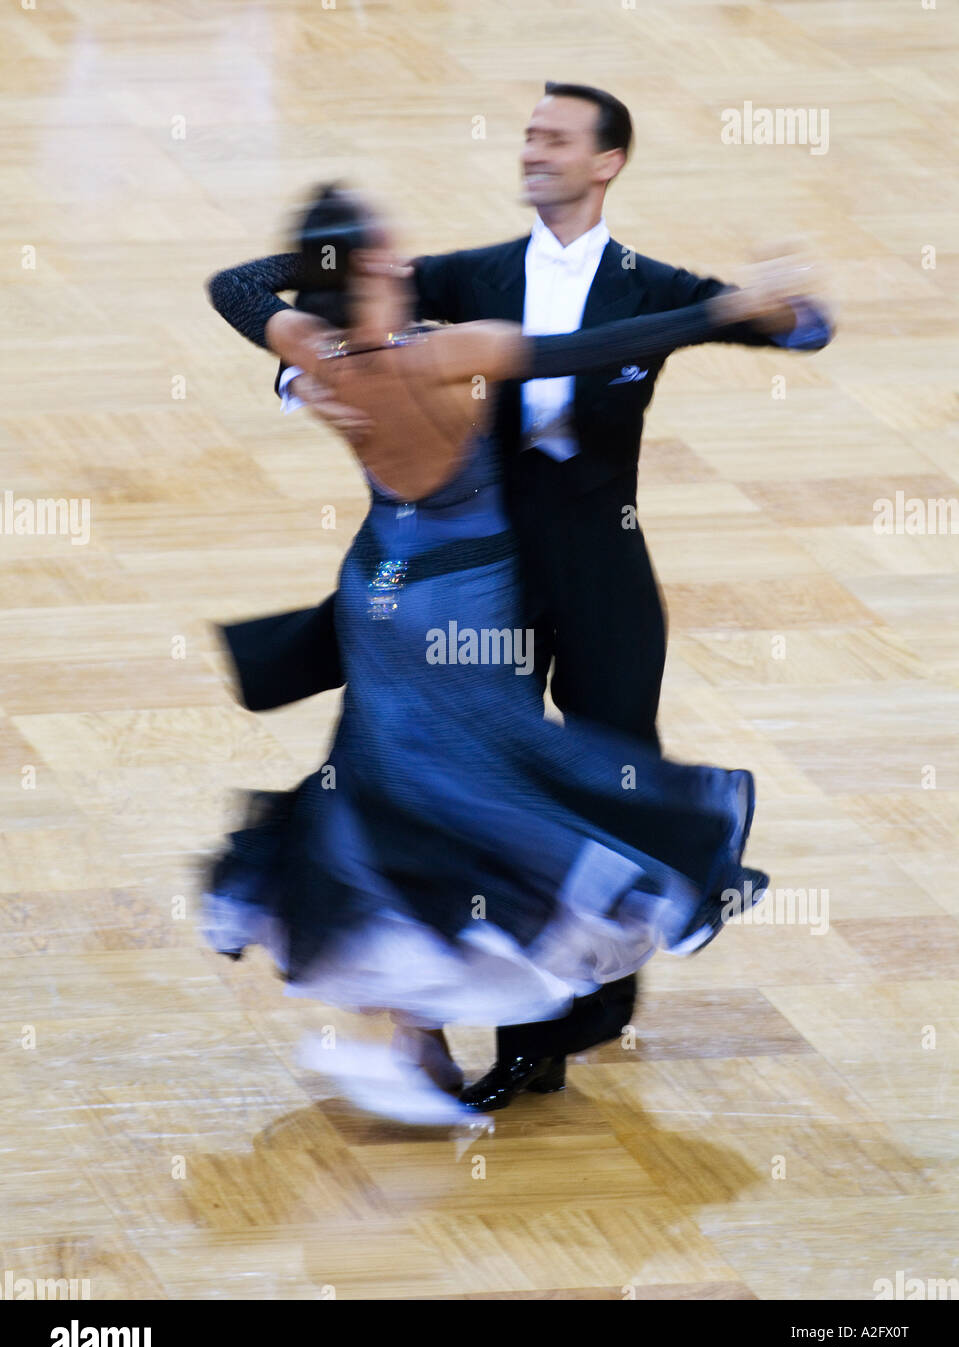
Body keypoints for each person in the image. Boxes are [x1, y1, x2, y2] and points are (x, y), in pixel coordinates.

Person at [208, 83, 833, 1110]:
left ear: (607, 161)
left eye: (554, 137)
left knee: (492, 781)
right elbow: (578, 350)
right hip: (474, 593)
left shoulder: (330, 348)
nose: (531, 149)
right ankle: (508, 1033)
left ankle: (499, 1023)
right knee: (497, 790)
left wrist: (782, 319)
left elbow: (240, 286)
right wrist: (717, 313)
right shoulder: (461, 308)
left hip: (484, 580)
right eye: (528, 135)